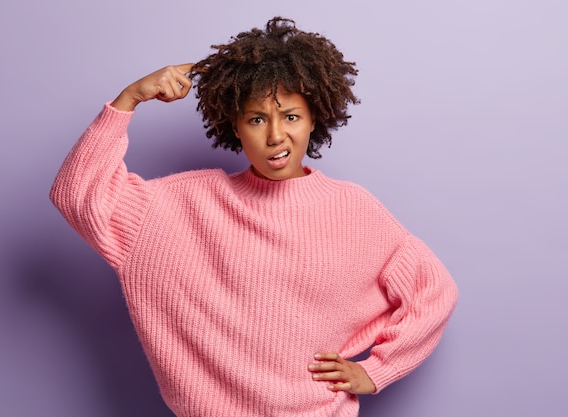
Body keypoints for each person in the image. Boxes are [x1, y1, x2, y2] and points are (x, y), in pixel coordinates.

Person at [50, 16, 458, 417]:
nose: (276, 135)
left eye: (292, 116)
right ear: (236, 126)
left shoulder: (354, 209)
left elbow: (433, 291)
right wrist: (128, 99)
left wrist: (376, 370)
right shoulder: (182, 205)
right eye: (257, 119)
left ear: (315, 118)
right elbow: (77, 194)